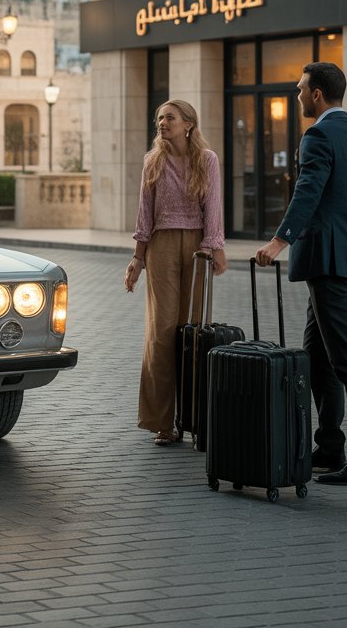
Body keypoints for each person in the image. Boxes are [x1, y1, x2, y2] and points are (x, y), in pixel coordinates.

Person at [255, 62, 347, 485]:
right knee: (319, 357)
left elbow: (307, 192)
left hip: (329, 264)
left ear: (316, 94)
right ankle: (329, 447)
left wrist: (279, 242)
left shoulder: (318, 136)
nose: (297, 97)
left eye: (300, 89)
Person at [125, 100, 226, 445]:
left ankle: (194, 418)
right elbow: (144, 213)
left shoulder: (207, 160)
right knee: (162, 333)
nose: (162, 123)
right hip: (162, 246)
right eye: (159, 118)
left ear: (188, 124)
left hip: (198, 246)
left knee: (192, 331)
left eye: (169, 117)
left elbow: (213, 206)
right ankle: (162, 422)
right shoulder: (152, 161)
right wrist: (137, 258)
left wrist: (214, 246)